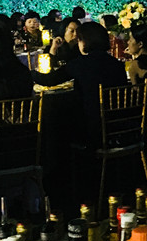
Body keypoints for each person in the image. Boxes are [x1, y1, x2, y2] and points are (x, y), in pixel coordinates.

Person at [31, 22, 127, 150]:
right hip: (119, 124)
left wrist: (30, 73)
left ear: (85, 41)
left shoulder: (82, 64)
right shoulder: (117, 64)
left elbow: (49, 80)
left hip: (91, 127)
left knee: (53, 115)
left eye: (79, 40)